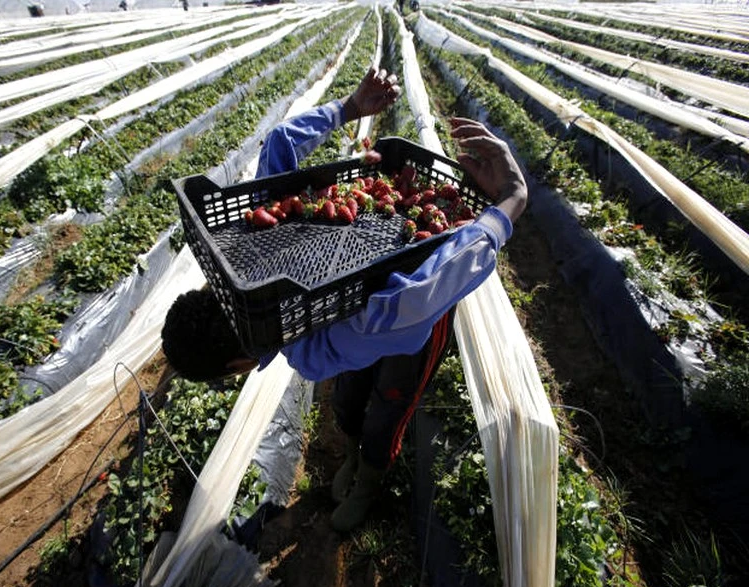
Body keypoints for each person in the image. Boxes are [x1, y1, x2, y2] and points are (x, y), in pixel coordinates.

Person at [162, 67, 527, 532]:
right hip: (374, 313)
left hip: (415, 321)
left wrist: (509, 206)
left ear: (237, 366)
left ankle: (368, 480)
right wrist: (349, 107)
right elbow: (279, 144)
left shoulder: (310, 349)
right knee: (351, 399)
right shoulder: (245, 254)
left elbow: (416, 300)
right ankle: (352, 458)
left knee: (390, 407)